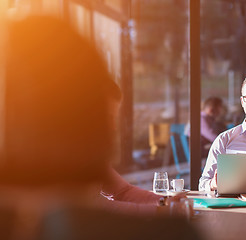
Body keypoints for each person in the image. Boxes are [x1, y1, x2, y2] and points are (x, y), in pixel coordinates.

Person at [1, 15, 182, 218]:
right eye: (106, 117)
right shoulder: (54, 160)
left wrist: (163, 201)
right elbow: (99, 210)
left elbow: (122, 192)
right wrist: (161, 211)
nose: (112, 127)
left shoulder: (84, 155)